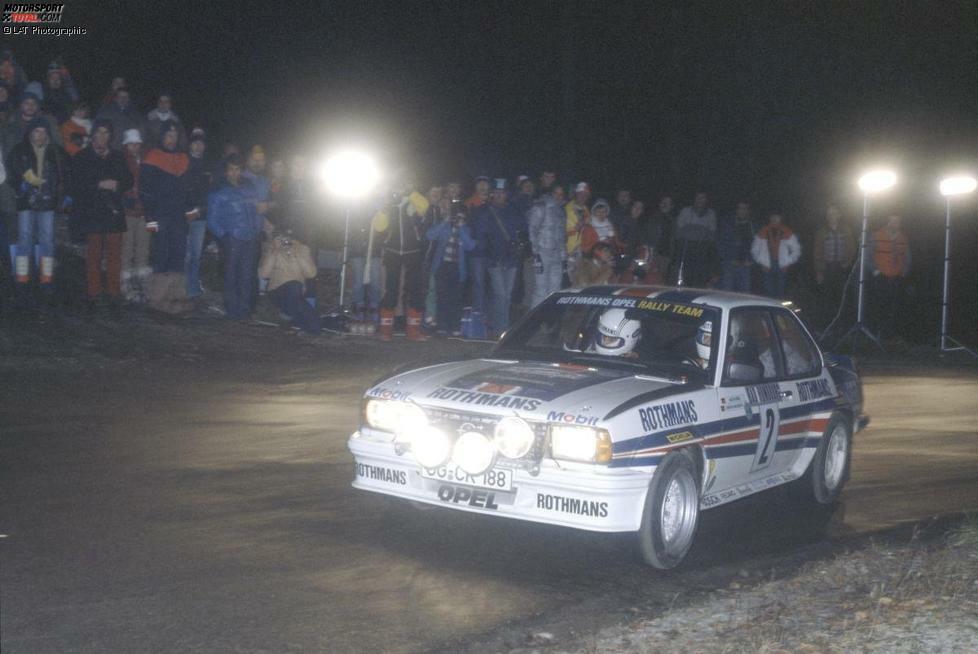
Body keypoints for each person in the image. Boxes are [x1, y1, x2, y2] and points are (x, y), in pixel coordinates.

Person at [70, 119, 133, 307]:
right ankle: (94, 291)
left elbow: (128, 180)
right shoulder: (82, 156)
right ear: (93, 135)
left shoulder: (118, 156)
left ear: (110, 136)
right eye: (99, 133)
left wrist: (118, 185)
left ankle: (113, 291)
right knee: (94, 253)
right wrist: (98, 184)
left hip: (113, 211)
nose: (102, 137)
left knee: (114, 253)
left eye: (106, 133)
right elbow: (76, 183)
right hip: (92, 211)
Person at [6, 117, 68, 307]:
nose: (39, 135)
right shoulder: (20, 149)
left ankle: (46, 278)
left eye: (43, 131)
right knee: (24, 238)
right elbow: (11, 171)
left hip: (48, 202)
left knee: (47, 239)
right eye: (36, 131)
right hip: (27, 201)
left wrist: (66, 195)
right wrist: (20, 186)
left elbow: (66, 173)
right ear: (30, 133)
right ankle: (22, 278)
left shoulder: (56, 151)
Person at [372, 179, 430, 341]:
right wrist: (383, 208)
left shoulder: (413, 199)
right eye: (396, 185)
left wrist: (410, 192)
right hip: (392, 251)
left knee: (415, 290)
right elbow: (379, 227)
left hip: (413, 251)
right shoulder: (387, 202)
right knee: (391, 290)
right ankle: (385, 331)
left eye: (401, 185)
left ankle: (413, 332)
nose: (398, 188)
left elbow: (424, 207)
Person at [207, 155, 263, 320]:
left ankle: (244, 312)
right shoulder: (218, 190)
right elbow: (211, 220)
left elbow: (257, 211)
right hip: (232, 239)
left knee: (247, 275)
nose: (234, 173)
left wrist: (257, 229)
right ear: (226, 171)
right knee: (231, 275)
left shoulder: (249, 187)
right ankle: (232, 311)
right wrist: (225, 236)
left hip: (251, 238)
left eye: (237, 169)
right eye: (231, 169)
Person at [475, 178, 526, 336]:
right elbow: (480, 234)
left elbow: (523, 230)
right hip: (494, 259)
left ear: (506, 194)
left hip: (511, 259)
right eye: (496, 192)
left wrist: (520, 244)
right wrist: (487, 251)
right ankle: (501, 329)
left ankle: (498, 326)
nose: (498, 195)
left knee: (507, 296)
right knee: (500, 294)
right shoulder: (485, 211)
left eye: (501, 193)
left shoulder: (514, 210)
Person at [426, 203, 476, 335]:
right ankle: (441, 326)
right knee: (442, 296)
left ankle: (455, 327)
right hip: (442, 266)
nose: (458, 218)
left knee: (456, 298)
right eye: (456, 216)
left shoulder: (466, 229)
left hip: (457, 268)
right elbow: (430, 235)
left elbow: (470, 246)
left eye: (461, 216)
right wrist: (445, 221)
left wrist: (460, 228)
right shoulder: (444, 226)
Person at [258, 230, 321, 334]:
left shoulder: (303, 249)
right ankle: (312, 326)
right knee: (294, 288)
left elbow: (311, 274)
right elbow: (264, 274)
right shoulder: (271, 249)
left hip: (296, 292)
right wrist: (275, 251)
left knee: (294, 293)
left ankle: (289, 319)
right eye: (282, 238)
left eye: (288, 238)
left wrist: (296, 253)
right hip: (276, 291)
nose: (285, 241)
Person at [120, 128, 150, 301]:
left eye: (137, 143)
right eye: (131, 143)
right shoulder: (122, 160)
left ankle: (142, 283)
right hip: (128, 210)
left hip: (144, 211)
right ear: (126, 144)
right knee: (127, 247)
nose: (134, 146)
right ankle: (125, 283)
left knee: (143, 247)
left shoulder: (145, 160)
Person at [870, 214, 911, 340]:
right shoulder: (877, 235)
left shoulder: (903, 238)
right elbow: (867, 255)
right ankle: (879, 333)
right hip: (881, 276)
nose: (895, 224)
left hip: (896, 277)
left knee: (895, 307)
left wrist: (904, 272)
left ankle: (892, 334)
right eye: (892, 221)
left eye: (897, 221)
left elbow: (908, 257)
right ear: (887, 222)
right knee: (880, 305)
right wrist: (875, 271)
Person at [813, 204, 856, 321]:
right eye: (829, 214)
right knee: (827, 298)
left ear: (839, 215)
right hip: (827, 268)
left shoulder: (847, 230)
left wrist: (848, 262)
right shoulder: (822, 232)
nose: (831, 216)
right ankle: (827, 323)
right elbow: (817, 252)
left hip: (842, 269)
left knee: (842, 297)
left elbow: (852, 249)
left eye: (834, 213)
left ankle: (841, 322)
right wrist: (819, 272)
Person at [527, 182, 567, 306]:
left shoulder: (561, 211)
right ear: (551, 193)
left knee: (555, 291)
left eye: (561, 194)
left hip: (556, 255)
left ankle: (549, 321)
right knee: (541, 290)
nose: (559, 196)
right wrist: (535, 254)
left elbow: (561, 235)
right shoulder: (540, 207)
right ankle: (533, 322)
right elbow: (532, 230)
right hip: (542, 253)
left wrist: (563, 257)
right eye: (556, 193)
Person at [184, 129, 211, 299]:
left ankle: (193, 289)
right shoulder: (183, 162)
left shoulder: (208, 165)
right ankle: (182, 288)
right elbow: (179, 189)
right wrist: (185, 211)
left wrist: (200, 210)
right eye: (195, 142)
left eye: (201, 142)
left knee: (196, 254)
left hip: (201, 217)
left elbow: (210, 192)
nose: (198, 145)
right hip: (184, 216)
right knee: (185, 254)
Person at [751, 212, 801, 299]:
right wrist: (762, 263)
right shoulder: (763, 231)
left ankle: (779, 312)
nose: (775, 218)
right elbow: (754, 250)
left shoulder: (787, 231)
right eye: (773, 216)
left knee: (781, 293)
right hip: (767, 266)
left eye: (777, 216)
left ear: (780, 218)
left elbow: (797, 250)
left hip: (782, 266)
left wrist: (787, 263)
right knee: (767, 293)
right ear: (770, 218)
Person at [674, 191, 717, 287]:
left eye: (702, 197)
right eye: (698, 197)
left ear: (706, 200)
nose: (700, 200)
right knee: (684, 276)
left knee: (699, 277)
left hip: (702, 249)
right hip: (686, 248)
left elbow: (712, 234)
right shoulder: (686, 211)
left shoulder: (711, 214)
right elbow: (678, 230)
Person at [717, 200, 755, 293]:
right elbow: (720, 243)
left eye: (744, 208)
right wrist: (729, 258)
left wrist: (751, 260)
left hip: (746, 266)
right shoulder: (727, 223)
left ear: (748, 210)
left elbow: (758, 246)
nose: (742, 211)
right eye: (740, 208)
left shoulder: (753, 225)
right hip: (729, 264)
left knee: (744, 295)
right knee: (727, 293)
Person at [564, 181, 591, 282]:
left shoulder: (586, 210)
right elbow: (562, 232)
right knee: (569, 281)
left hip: (581, 251)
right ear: (576, 194)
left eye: (585, 194)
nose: (583, 196)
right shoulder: (567, 209)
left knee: (578, 280)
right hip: (568, 250)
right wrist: (576, 229)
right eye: (580, 194)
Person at [41, 60, 79, 124]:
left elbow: (75, 97)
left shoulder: (66, 94)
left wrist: (66, 75)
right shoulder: (42, 92)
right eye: (52, 78)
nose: (55, 81)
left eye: (58, 79)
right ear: (48, 79)